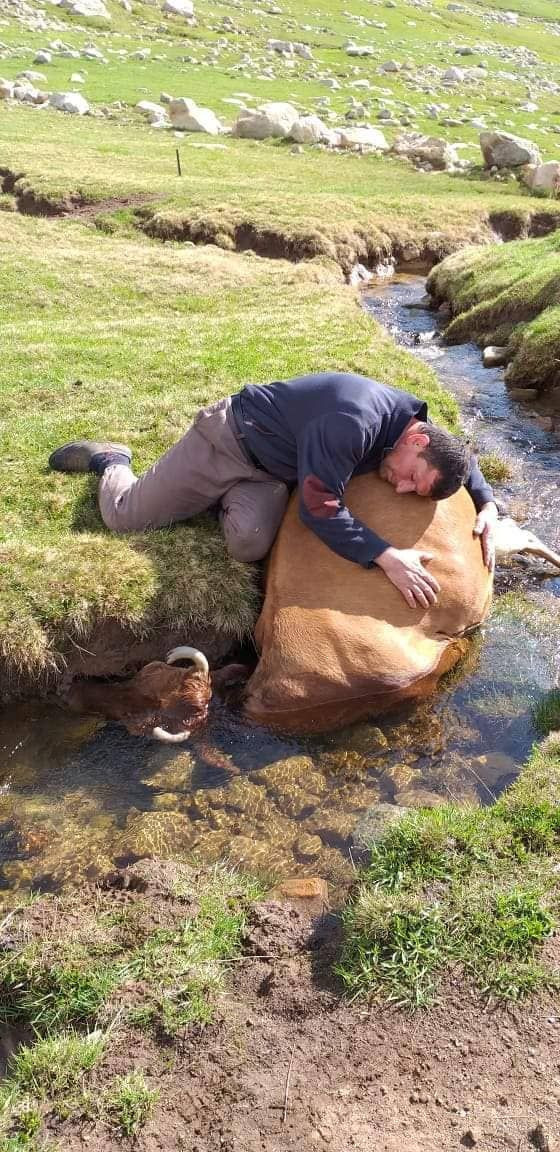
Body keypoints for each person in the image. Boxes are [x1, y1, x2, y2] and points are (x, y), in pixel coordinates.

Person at [49, 371, 498, 609]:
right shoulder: (353, 422)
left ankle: (208, 498)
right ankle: (111, 459)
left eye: (412, 490)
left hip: (269, 470)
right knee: (124, 517)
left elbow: (460, 457)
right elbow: (319, 508)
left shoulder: (415, 432)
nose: (400, 488)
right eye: (410, 478)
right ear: (416, 441)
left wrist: (488, 503)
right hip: (227, 441)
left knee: (247, 543)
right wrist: (386, 556)